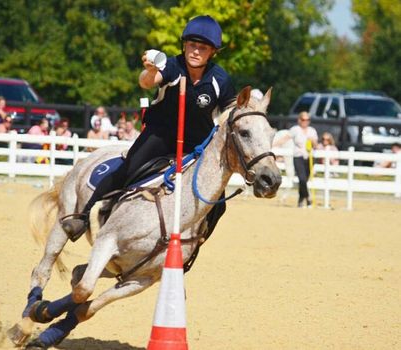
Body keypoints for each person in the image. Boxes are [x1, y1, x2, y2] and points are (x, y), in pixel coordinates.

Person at [61, 15, 236, 242]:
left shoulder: (220, 79)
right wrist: (151, 71)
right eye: (192, 45)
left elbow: (231, 109)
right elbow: (146, 81)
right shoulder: (173, 65)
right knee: (128, 168)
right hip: (160, 135)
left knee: (217, 201)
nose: (195, 51)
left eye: (203, 48)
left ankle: (192, 246)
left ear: (213, 52)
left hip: (197, 143)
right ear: (184, 45)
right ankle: (83, 217)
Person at [274, 111, 318, 208]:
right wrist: (273, 145)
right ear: (299, 120)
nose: (305, 122)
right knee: (302, 179)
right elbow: (285, 138)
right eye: (303, 119)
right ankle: (308, 199)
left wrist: (313, 141)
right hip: (298, 157)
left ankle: (301, 199)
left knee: (304, 181)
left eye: (307, 120)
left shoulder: (312, 131)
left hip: (310, 157)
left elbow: (316, 145)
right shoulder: (295, 129)